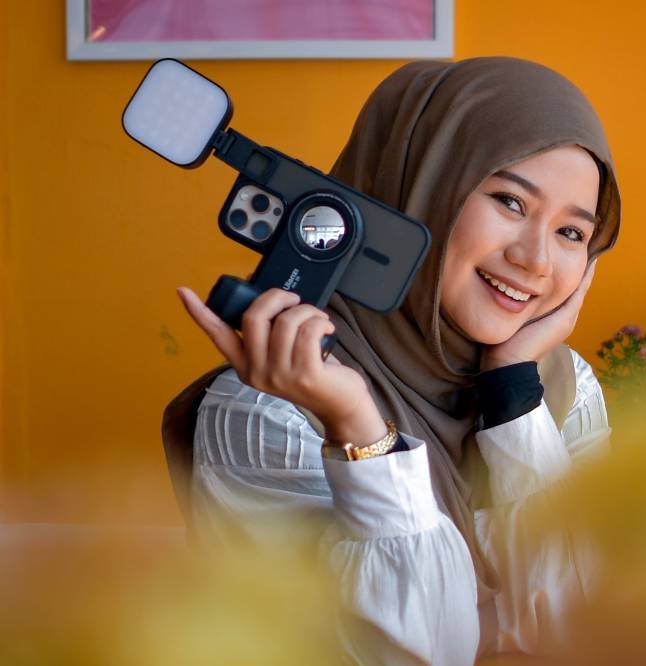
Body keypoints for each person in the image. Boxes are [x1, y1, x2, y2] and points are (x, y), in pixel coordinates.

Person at [171, 56, 621, 664]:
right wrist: (359, 432)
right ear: (418, 191)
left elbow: (585, 635)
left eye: (572, 233)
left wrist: (513, 393)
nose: (537, 260)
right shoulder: (268, 412)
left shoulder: (563, 387)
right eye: (511, 202)